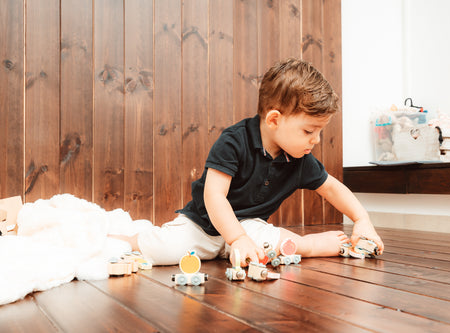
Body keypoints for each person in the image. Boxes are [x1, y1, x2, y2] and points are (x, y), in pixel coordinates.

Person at [110, 58, 384, 267]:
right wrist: (236, 238)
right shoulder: (234, 141)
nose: (317, 140)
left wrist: (362, 219)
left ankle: (307, 245)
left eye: (320, 132)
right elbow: (214, 195)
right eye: (309, 131)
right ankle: (130, 238)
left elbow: (333, 189)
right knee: (162, 250)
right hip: (202, 227)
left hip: (249, 226)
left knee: (276, 242)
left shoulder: (300, 158)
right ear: (274, 119)